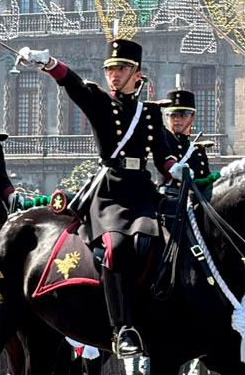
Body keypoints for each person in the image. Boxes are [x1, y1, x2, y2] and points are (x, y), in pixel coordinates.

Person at [17, 39, 177, 357]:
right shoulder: (100, 102)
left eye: (121, 69)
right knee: (116, 247)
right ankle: (122, 329)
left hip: (141, 191)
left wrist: (175, 167)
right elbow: (74, 86)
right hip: (110, 192)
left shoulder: (151, 113)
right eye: (110, 69)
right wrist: (50, 64)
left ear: (138, 74)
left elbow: (162, 155)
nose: (114, 75)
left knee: (161, 244)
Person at [161, 89, 211, 180]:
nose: (177, 119)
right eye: (173, 115)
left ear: (193, 118)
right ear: (166, 117)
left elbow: (205, 180)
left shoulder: (198, 151)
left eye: (183, 115)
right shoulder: (162, 141)